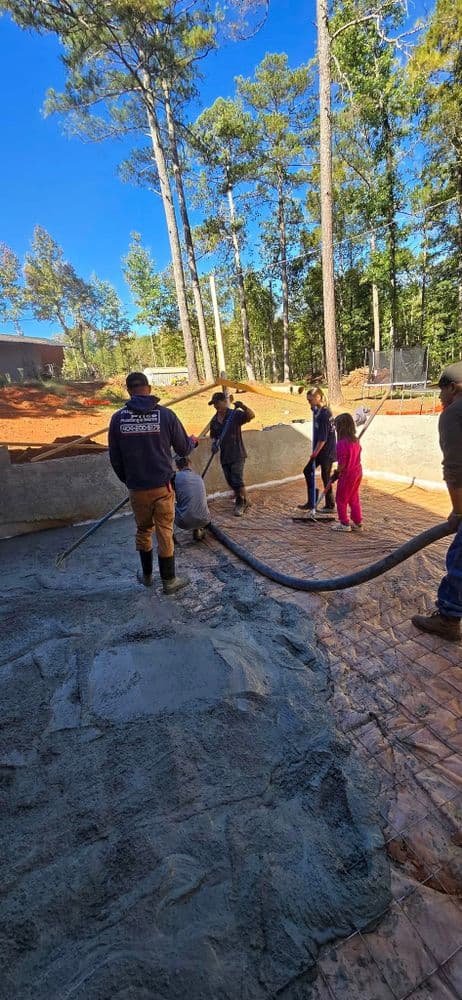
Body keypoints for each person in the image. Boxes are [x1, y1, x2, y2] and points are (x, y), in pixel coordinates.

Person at [108, 371, 198, 595]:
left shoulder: (118, 419)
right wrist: (193, 441)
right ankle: (169, 581)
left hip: (137, 489)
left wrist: (130, 482)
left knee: (143, 531)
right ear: (148, 388)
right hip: (162, 487)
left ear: (129, 391)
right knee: (165, 531)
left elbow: (115, 458)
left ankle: (147, 576)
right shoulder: (166, 416)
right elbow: (183, 449)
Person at [412, 362, 462, 642]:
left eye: (441, 392)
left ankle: (449, 618)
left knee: (459, 559)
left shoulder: (454, 413)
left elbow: (454, 470)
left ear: (452, 388)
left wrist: (458, 510)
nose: (439, 398)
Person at [209, 391, 255, 516]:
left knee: (236, 479)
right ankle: (246, 499)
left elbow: (251, 416)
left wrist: (244, 407)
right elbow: (213, 436)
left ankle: (241, 502)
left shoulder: (234, 415)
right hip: (225, 456)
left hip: (237, 453)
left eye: (217, 403)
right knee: (230, 480)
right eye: (214, 405)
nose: (216, 407)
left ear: (224, 402)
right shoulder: (214, 420)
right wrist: (214, 444)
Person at [298, 388, 336, 512]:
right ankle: (312, 500)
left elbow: (323, 438)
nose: (308, 402)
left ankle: (330, 505)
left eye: (310, 400)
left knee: (325, 476)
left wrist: (314, 453)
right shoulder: (319, 411)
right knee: (308, 471)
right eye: (308, 400)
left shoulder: (324, 414)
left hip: (326, 451)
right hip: (321, 450)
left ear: (318, 398)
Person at [330, 412, 363, 533]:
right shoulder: (356, 440)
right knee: (353, 498)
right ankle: (358, 522)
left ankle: (344, 523)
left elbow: (342, 464)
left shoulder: (341, 444)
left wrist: (336, 474)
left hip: (348, 474)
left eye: (337, 426)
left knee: (341, 499)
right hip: (357, 471)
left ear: (341, 427)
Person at [173, 454, 211, 541]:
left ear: (177, 466)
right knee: (196, 502)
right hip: (205, 520)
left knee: (166, 503)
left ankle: (169, 537)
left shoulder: (175, 477)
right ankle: (198, 529)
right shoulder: (198, 477)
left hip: (184, 522)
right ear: (190, 464)